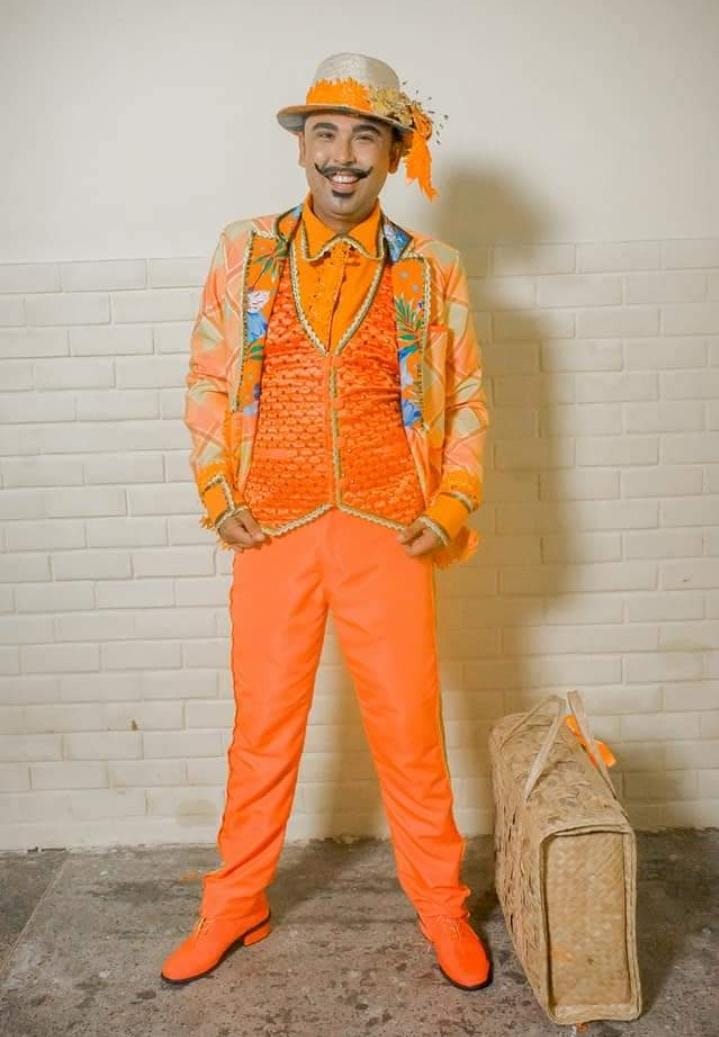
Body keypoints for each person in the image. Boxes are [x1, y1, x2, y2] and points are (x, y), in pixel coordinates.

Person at [161, 51, 492, 992]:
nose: (342, 155)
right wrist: (219, 493)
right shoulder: (244, 250)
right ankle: (234, 902)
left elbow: (467, 394)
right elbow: (209, 376)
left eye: (364, 138)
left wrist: (450, 501)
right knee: (263, 729)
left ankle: (440, 905)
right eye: (325, 134)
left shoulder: (432, 268)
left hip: (391, 526)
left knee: (409, 732)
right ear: (302, 147)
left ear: (393, 153)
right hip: (272, 524)